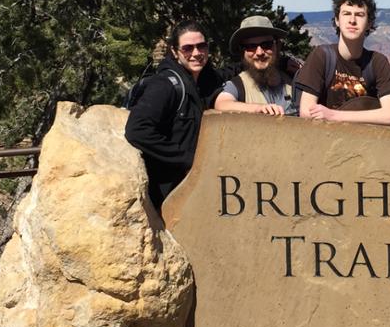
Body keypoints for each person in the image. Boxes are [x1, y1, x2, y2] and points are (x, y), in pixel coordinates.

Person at [125, 22, 223, 207]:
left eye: (201, 46)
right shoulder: (165, 85)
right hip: (167, 193)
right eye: (187, 48)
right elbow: (137, 130)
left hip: (192, 189)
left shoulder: (203, 81)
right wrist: (188, 160)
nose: (196, 53)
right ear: (175, 52)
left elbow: (228, 72)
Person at [293, 0, 390, 124]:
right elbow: (306, 111)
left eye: (359, 15)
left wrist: (333, 115)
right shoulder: (321, 56)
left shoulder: (377, 62)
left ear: (369, 23)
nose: (352, 20)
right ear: (337, 20)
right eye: (346, 13)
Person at [215, 15, 297, 116]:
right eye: (251, 47)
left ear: (277, 45)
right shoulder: (238, 86)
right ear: (243, 52)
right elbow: (221, 104)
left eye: (266, 45)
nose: (259, 52)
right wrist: (258, 108)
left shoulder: (294, 81)